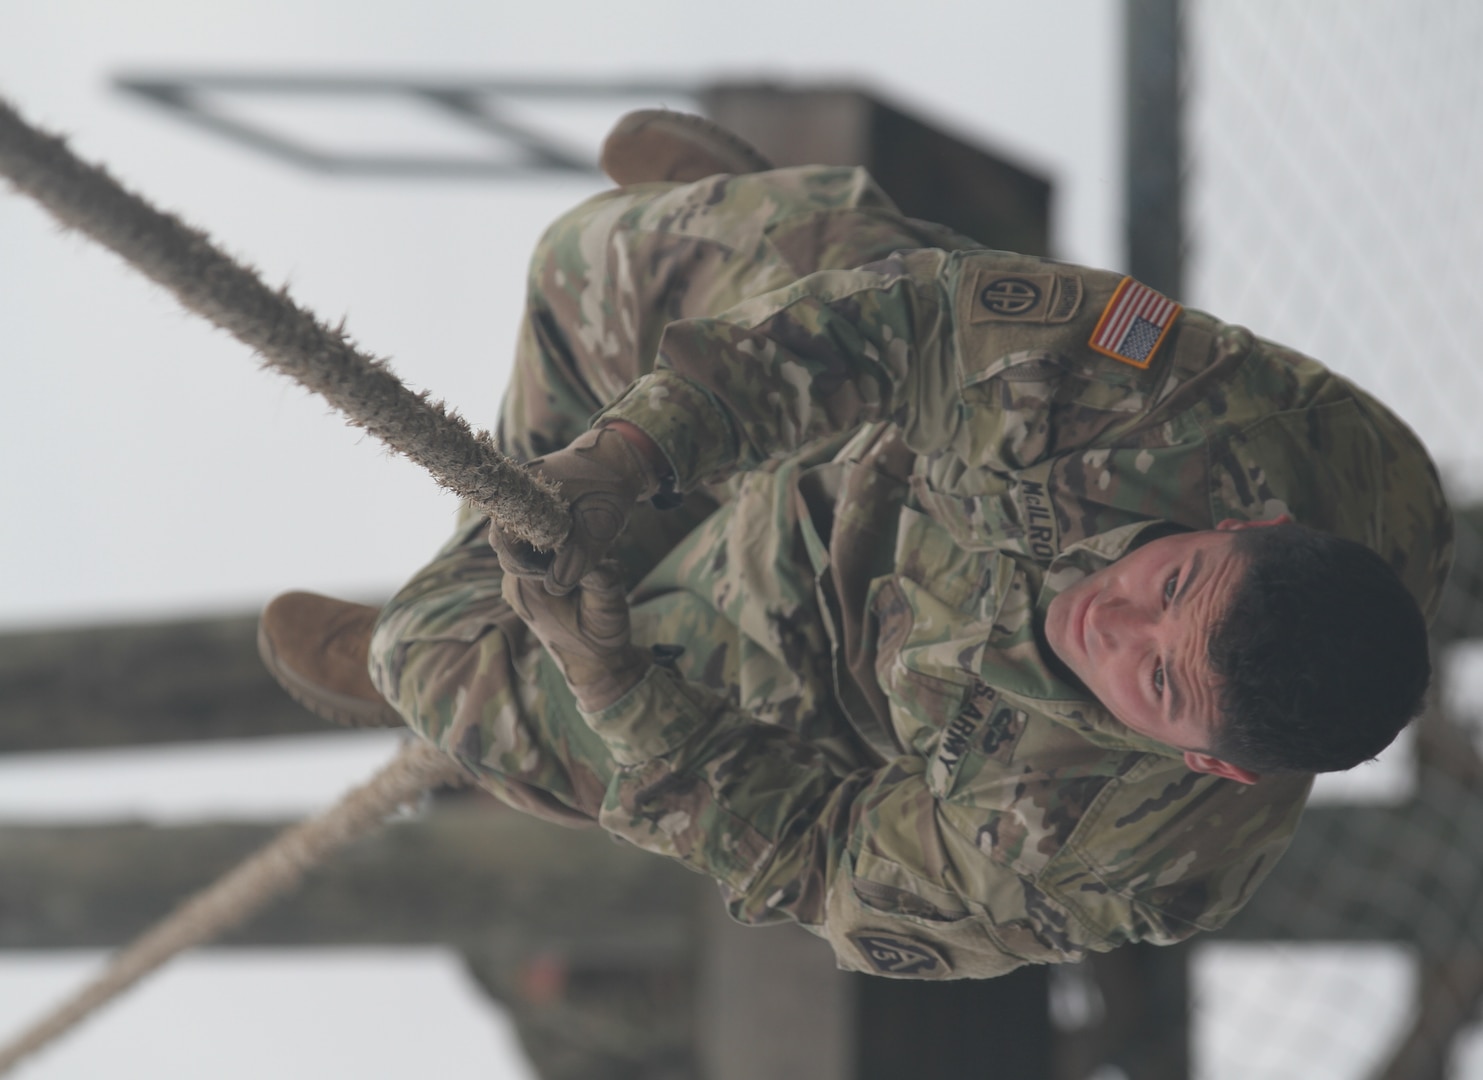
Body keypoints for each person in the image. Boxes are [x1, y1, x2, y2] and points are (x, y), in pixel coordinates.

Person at [258, 110, 1453, 980]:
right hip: (906, 452)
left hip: (803, 664)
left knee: (431, 660)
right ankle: (748, 248)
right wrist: (630, 459)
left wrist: (605, 676)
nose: (1112, 615)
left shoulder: (1106, 862)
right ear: (1254, 523)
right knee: (588, 260)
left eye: (1153, 677)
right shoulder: (1215, 417)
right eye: (1173, 579)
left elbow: (808, 861)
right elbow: (922, 331)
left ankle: (439, 643)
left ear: (1212, 765)